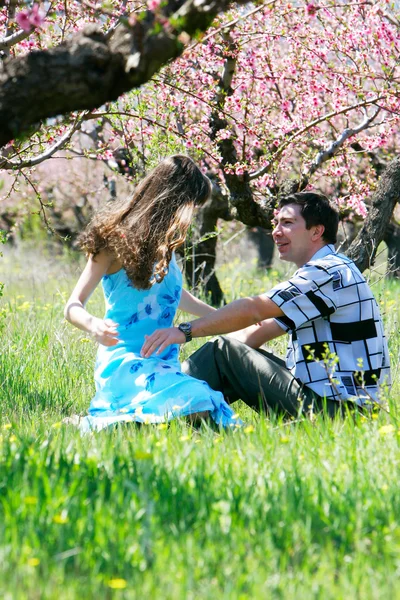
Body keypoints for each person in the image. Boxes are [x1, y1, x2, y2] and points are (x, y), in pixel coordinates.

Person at [141, 192, 391, 417]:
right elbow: (258, 331)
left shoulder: (327, 273)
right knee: (223, 354)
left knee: (221, 351)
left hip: (339, 412)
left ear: (316, 232)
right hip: (337, 406)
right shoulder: (329, 271)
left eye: (288, 223)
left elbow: (254, 310)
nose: (276, 231)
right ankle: (179, 414)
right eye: (277, 223)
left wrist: (184, 331)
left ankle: (152, 414)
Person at [64, 155, 240, 432]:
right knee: (199, 404)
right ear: (174, 200)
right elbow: (72, 305)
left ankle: (131, 423)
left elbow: (175, 296)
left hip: (162, 361)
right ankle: (101, 422)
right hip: (124, 360)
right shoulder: (114, 241)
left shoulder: (165, 246)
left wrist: (228, 319)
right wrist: (93, 325)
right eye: (191, 206)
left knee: (202, 405)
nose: (193, 214)